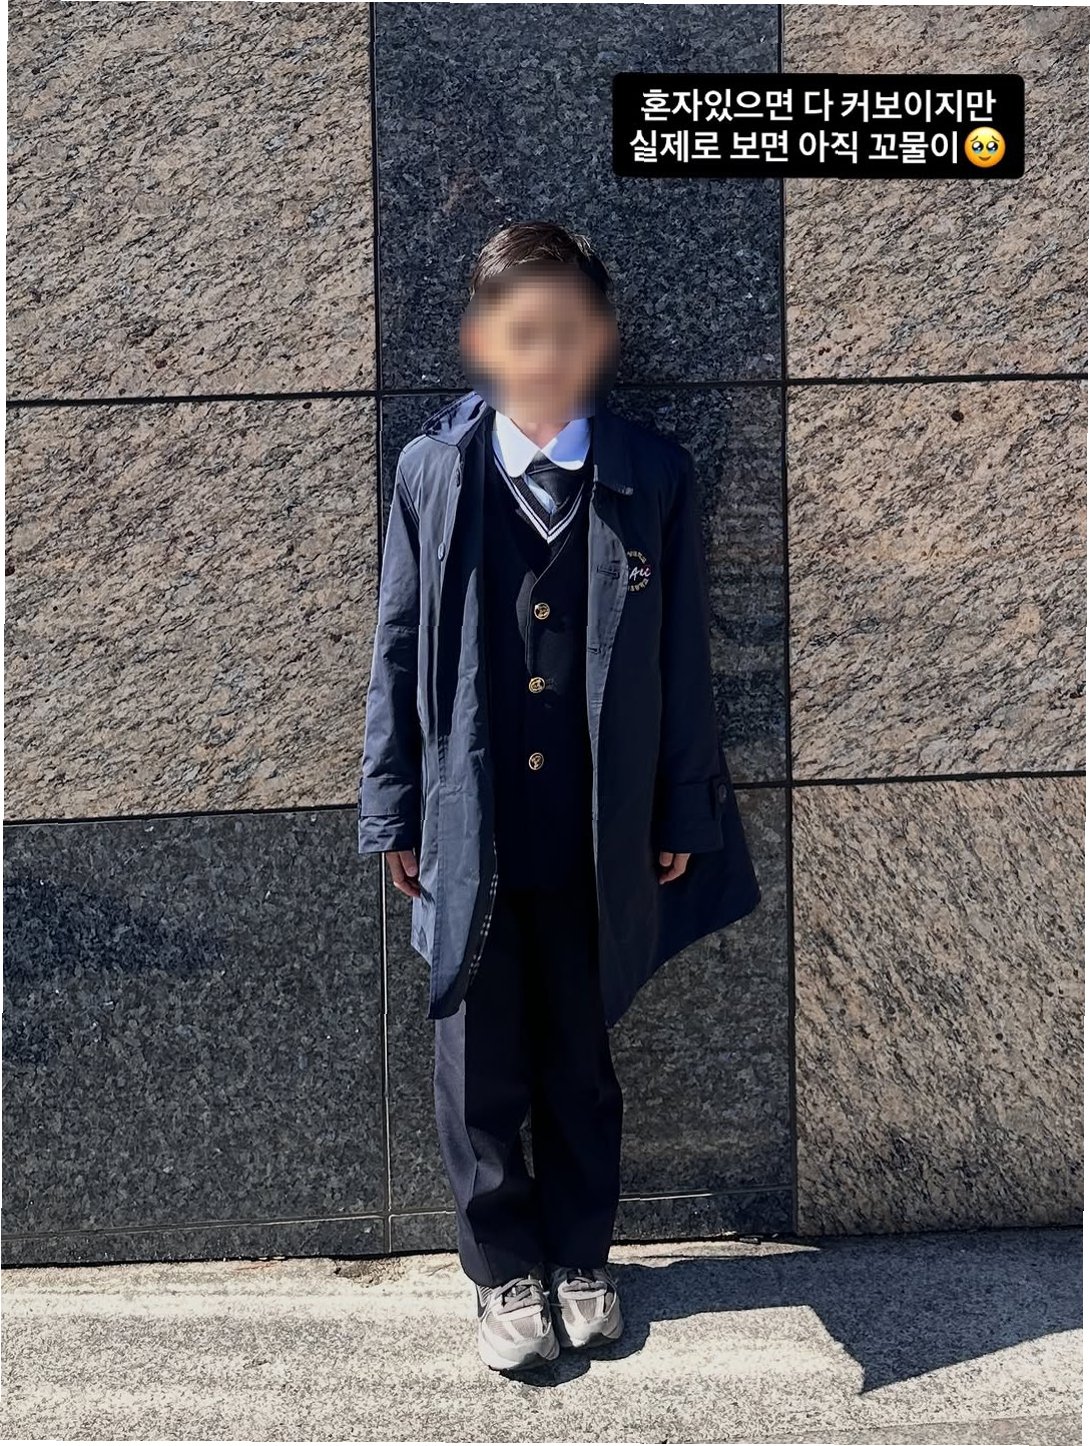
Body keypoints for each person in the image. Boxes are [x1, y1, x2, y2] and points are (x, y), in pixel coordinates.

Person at [356, 221, 761, 1373]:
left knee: (581, 1053)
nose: (545, 356)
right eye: (521, 333)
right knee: (477, 1053)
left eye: (568, 332)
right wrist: (393, 808)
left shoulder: (648, 475)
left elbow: (682, 659)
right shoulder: (434, 472)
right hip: (470, 815)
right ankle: (501, 1268)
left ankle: (582, 1253)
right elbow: (394, 647)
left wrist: (681, 809)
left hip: (598, 825)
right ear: (484, 340)